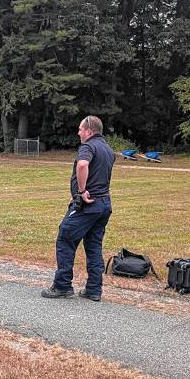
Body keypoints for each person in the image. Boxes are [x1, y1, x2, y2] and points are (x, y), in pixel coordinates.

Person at [42, 116, 114, 301]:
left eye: (81, 129)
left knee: (65, 236)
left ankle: (62, 285)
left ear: (89, 131)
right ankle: (94, 289)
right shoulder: (107, 149)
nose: (78, 132)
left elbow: (82, 165)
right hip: (104, 204)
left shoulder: (88, 147)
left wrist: (81, 192)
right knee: (94, 245)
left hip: (89, 204)